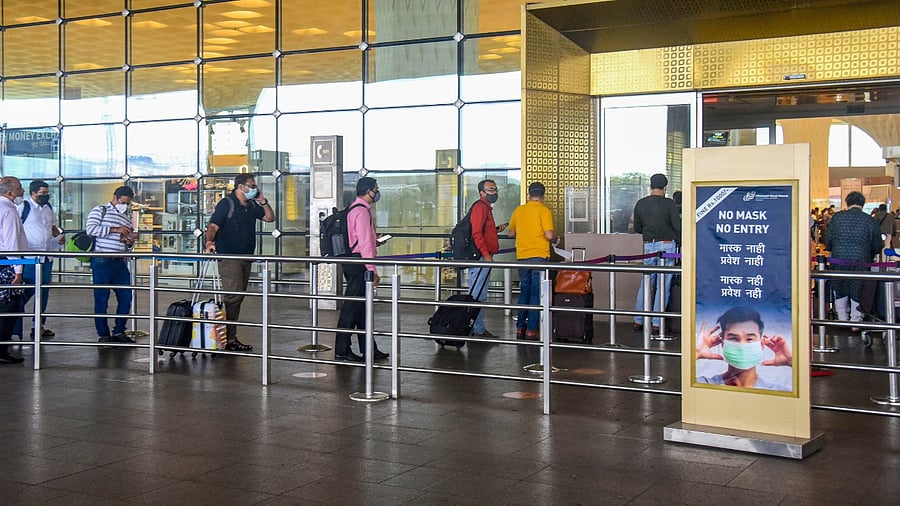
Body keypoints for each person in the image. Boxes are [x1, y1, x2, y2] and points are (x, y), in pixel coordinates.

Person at [204, 173, 275, 351]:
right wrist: (209, 242)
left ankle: (229, 337)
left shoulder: (250, 205)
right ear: (240, 186)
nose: (254, 188)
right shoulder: (227, 204)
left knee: (237, 297)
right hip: (230, 258)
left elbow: (269, 218)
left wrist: (262, 201)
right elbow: (213, 226)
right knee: (233, 297)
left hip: (245, 257)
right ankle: (228, 338)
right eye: (251, 185)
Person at [333, 177, 389, 362]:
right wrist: (372, 270)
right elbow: (364, 244)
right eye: (376, 189)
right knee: (352, 308)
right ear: (368, 191)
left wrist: (375, 240)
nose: (377, 192)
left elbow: (360, 239)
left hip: (353, 261)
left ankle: (368, 348)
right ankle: (342, 349)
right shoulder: (362, 212)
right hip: (359, 264)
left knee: (362, 308)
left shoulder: (354, 209)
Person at [86, 186, 139, 344]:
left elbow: (126, 244)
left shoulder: (126, 218)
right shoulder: (100, 210)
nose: (125, 205)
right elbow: (90, 229)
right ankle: (103, 334)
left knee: (126, 296)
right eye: (123, 202)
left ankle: (119, 331)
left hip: (120, 262)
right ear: (115, 198)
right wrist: (115, 229)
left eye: (128, 203)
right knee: (101, 299)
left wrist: (129, 241)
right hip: (102, 261)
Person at [695, 306, 792, 391]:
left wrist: (791, 360)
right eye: (734, 338)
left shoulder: (780, 391)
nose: (742, 345)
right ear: (723, 344)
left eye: (749, 339)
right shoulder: (704, 385)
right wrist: (696, 352)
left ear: (761, 345)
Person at [14, 179, 64, 341]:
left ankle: (38, 325)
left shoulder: (48, 208)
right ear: (33, 193)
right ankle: (13, 324)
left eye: (47, 193)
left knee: (43, 292)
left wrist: (58, 236)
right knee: (25, 292)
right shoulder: (24, 207)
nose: (45, 196)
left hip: (46, 256)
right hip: (29, 257)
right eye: (42, 193)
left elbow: (52, 227)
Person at [823, 191, 883, 324]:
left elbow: (828, 242)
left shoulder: (837, 218)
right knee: (858, 288)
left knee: (839, 287)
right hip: (861, 260)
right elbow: (877, 245)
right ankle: (856, 321)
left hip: (838, 259)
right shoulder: (869, 220)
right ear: (863, 204)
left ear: (847, 203)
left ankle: (842, 318)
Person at [508, 181, 557, 340]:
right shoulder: (544, 211)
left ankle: (520, 327)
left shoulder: (519, 210)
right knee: (536, 292)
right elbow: (549, 235)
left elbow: (511, 233)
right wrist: (556, 238)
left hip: (522, 256)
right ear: (543, 196)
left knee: (525, 291)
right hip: (539, 256)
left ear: (528, 195)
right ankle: (532, 329)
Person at [631, 173, 680, 332]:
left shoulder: (641, 203)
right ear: (665, 187)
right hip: (666, 247)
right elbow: (677, 227)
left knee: (646, 283)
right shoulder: (669, 204)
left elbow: (637, 228)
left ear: (650, 186)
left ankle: (638, 319)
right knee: (662, 285)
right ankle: (656, 323)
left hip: (648, 247)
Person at [467, 179, 507, 338]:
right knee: (477, 294)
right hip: (481, 257)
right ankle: (476, 328)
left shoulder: (485, 208)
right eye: (491, 190)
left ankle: (476, 328)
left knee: (480, 293)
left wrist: (495, 230)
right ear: (482, 193)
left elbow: (483, 231)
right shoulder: (480, 207)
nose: (495, 192)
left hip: (484, 256)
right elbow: (476, 233)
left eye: (496, 189)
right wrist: (486, 255)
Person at [0, 176, 27, 363]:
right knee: (8, 307)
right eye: (19, 188)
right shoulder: (9, 211)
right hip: (6, 264)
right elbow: (12, 244)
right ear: (10, 192)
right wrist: (18, 271)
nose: (22, 191)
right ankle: (2, 350)